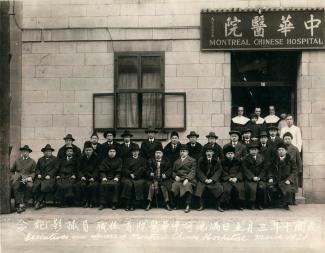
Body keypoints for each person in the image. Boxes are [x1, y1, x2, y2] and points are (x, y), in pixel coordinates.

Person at [267, 142, 297, 210]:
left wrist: (289, 179)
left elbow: (294, 171)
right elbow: (270, 170)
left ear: (286, 151)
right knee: (270, 187)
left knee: (287, 189)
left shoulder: (290, 160)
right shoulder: (274, 160)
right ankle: (274, 203)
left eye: (282, 150)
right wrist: (270, 177)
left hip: (286, 180)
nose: (280, 151)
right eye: (279, 150)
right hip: (276, 179)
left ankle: (285, 204)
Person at [195, 144, 224, 212]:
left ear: (213, 153)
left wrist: (212, 179)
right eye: (207, 151)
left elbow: (219, 171)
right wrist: (204, 179)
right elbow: (198, 171)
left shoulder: (216, 160)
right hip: (203, 180)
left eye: (211, 151)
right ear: (205, 152)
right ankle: (201, 205)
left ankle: (218, 205)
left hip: (213, 180)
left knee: (219, 187)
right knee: (200, 187)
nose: (209, 153)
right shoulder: (201, 160)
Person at [10, 145, 36, 213]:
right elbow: (11, 171)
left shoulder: (32, 161)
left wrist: (30, 178)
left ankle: (24, 202)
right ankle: (18, 204)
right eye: (23, 151)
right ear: (21, 152)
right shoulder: (17, 161)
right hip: (18, 178)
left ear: (29, 152)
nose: (25, 153)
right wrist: (13, 176)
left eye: (26, 151)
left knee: (30, 186)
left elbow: (34, 172)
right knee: (15, 186)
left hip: (27, 178)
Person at [121, 145, 147, 211]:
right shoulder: (127, 160)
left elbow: (144, 169)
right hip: (129, 177)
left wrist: (135, 174)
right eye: (134, 151)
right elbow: (124, 169)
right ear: (132, 153)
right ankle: (127, 204)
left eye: (137, 151)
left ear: (139, 152)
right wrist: (130, 174)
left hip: (139, 177)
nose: (135, 153)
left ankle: (133, 204)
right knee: (128, 184)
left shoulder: (142, 160)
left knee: (137, 184)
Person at [146, 147, 173, 211]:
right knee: (152, 187)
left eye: (159, 153)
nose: (158, 154)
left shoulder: (166, 160)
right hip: (153, 179)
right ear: (154, 154)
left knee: (164, 187)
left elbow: (170, 169)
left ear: (162, 154)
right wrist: (150, 173)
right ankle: (149, 203)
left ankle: (167, 203)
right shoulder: (150, 160)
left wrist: (166, 175)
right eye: (156, 153)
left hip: (163, 179)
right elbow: (147, 169)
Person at [242, 142, 267, 210]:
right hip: (250, 178)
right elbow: (245, 169)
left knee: (261, 187)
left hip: (260, 178)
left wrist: (260, 177)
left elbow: (264, 169)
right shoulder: (245, 158)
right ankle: (252, 204)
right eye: (252, 150)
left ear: (258, 150)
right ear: (249, 150)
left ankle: (260, 204)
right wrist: (252, 177)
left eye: (255, 149)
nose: (253, 151)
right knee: (252, 188)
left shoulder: (262, 157)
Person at [171, 145, 196, 213]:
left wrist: (187, 179)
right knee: (175, 186)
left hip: (188, 178)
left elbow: (193, 171)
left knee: (187, 186)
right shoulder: (176, 161)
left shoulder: (192, 160)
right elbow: (173, 171)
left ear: (187, 152)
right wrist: (175, 176)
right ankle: (177, 204)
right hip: (179, 178)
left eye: (184, 151)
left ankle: (188, 205)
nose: (182, 153)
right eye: (181, 151)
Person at [33, 144, 58, 210]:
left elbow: (55, 169)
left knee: (45, 185)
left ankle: (39, 201)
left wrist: (49, 175)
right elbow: (37, 168)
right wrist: (38, 174)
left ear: (51, 152)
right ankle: (38, 200)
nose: (47, 152)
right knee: (36, 184)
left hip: (50, 177)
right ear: (44, 152)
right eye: (46, 151)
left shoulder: (55, 159)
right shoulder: (40, 159)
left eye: (49, 151)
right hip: (41, 176)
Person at [220, 145, 245, 210]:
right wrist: (229, 178)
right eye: (228, 153)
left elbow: (241, 171)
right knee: (227, 190)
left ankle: (238, 204)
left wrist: (236, 178)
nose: (230, 155)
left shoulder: (238, 161)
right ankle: (226, 204)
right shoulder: (222, 162)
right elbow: (222, 171)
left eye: (231, 153)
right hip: (226, 180)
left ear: (234, 154)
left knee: (240, 189)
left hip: (236, 179)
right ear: (225, 154)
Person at [98, 146, 122, 210]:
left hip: (115, 177)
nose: (112, 153)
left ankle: (114, 203)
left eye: (113, 151)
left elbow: (119, 171)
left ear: (116, 153)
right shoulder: (104, 160)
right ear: (108, 153)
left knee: (115, 185)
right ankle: (102, 203)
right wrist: (104, 177)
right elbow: (102, 170)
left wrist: (117, 178)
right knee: (103, 184)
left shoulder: (119, 160)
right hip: (106, 177)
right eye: (110, 151)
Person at [283, 132, 303, 203]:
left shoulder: (295, 149)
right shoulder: (282, 149)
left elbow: (299, 160)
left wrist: (299, 169)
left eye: (288, 139)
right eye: (285, 139)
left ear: (291, 139)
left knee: (293, 185)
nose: (287, 140)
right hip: (284, 169)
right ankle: (286, 200)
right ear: (283, 140)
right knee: (286, 184)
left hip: (293, 169)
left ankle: (293, 199)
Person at [79, 141, 99, 208]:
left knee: (92, 185)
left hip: (93, 177)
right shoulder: (81, 158)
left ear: (92, 150)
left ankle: (92, 201)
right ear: (84, 151)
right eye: (86, 150)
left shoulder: (96, 158)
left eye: (89, 150)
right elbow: (79, 170)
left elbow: (97, 169)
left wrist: (93, 177)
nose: (88, 151)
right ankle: (85, 201)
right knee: (82, 185)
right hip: (84, 177)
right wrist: (81, 176)